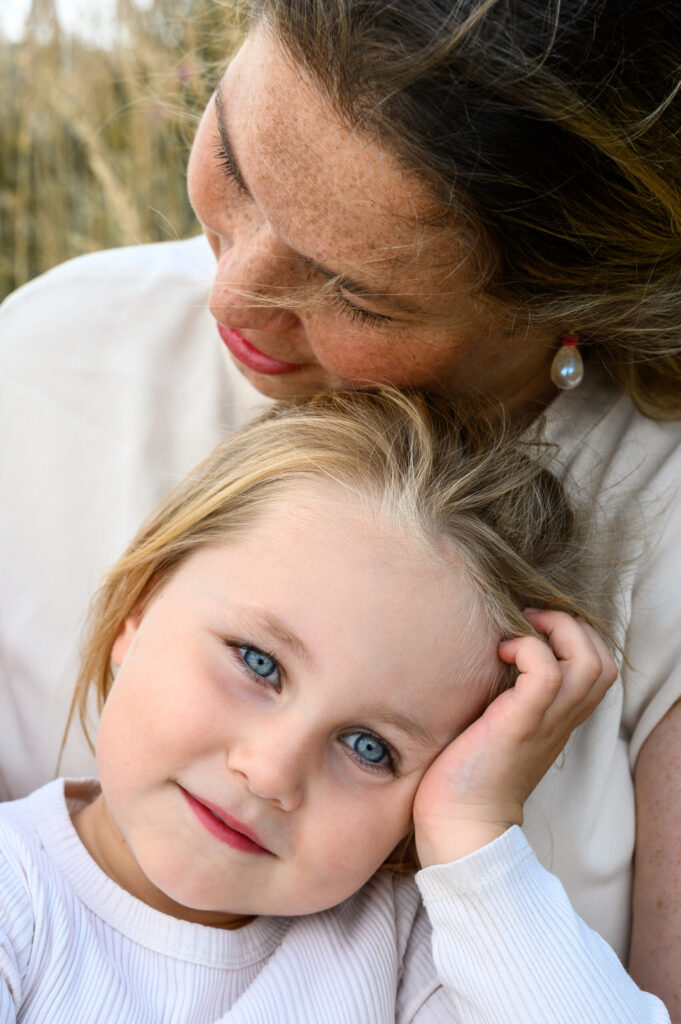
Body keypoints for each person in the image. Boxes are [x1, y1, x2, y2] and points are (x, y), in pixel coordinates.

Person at [1, 0, 680, 1013]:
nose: (228, 292)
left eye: (359, 295)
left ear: (568, 303)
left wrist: (478, 851)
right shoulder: (54, 347)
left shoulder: (406, 950)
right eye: (235, 153)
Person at [0, 389, 668, 1022]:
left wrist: (473, 831)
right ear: (138, 616)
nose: (269, 773)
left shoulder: (418, 957)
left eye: (369, 747)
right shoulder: (15, 893)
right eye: (257, 663)